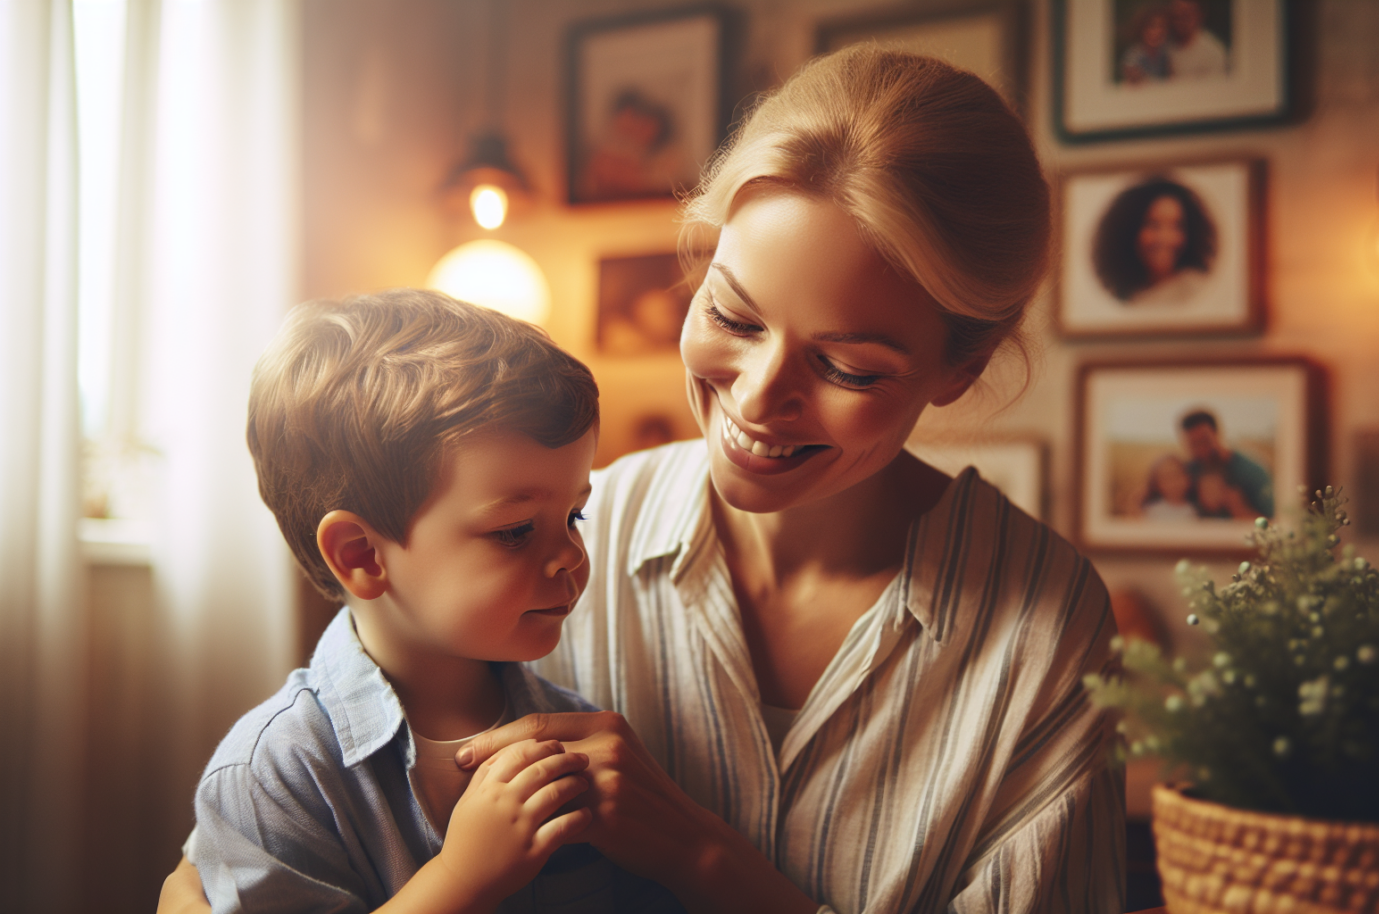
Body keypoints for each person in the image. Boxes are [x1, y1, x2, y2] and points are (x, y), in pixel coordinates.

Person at [162, 46, 1123, 914]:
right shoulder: (572, 533)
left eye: (849, 368)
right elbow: (239, 855)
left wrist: (704, 860)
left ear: (959, 369)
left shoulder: (1039, 631)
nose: (757, 398)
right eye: (736, 317)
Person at [187, 290, 680, 913]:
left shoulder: (581, 738)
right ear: (363, 555)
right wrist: (461, 879)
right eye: (516, 530)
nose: (571, 557)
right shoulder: (278, 774)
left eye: (574, 514)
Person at [1091, 176, 1217, 306]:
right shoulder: (1116, 292)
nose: (1165, 238)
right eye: (1153, 225)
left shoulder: (1194, 287)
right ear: (1130, 229)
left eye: (1176, 226)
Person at [1180, 408, 1274, 518]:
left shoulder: (1253, 472)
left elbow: (1271, 525)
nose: (1201, 449)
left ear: (1217, 434)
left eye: (1204, 441)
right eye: (1193, 444)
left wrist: (1238, 508)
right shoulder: (1188, 471)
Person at [1167, 0, 1229, 80]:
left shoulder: (1213, 52)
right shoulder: (1164, 46)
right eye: (1176, 16)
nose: (1179, 21)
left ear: (1199, 16)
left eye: (1185, 16)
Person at [1120, 2, 1173, 84]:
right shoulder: (1133, 55)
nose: (1158, 32)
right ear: (1141, 28)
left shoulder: (1165, 54)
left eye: (1162, 26)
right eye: (1152, 26)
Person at [1140, 453, 1199, 520]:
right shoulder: (1151, 511)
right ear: (1156, 484)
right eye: (1166, 478)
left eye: (1177, 475)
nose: (1173, 483)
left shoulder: (1196, 511)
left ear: (1187, 478)